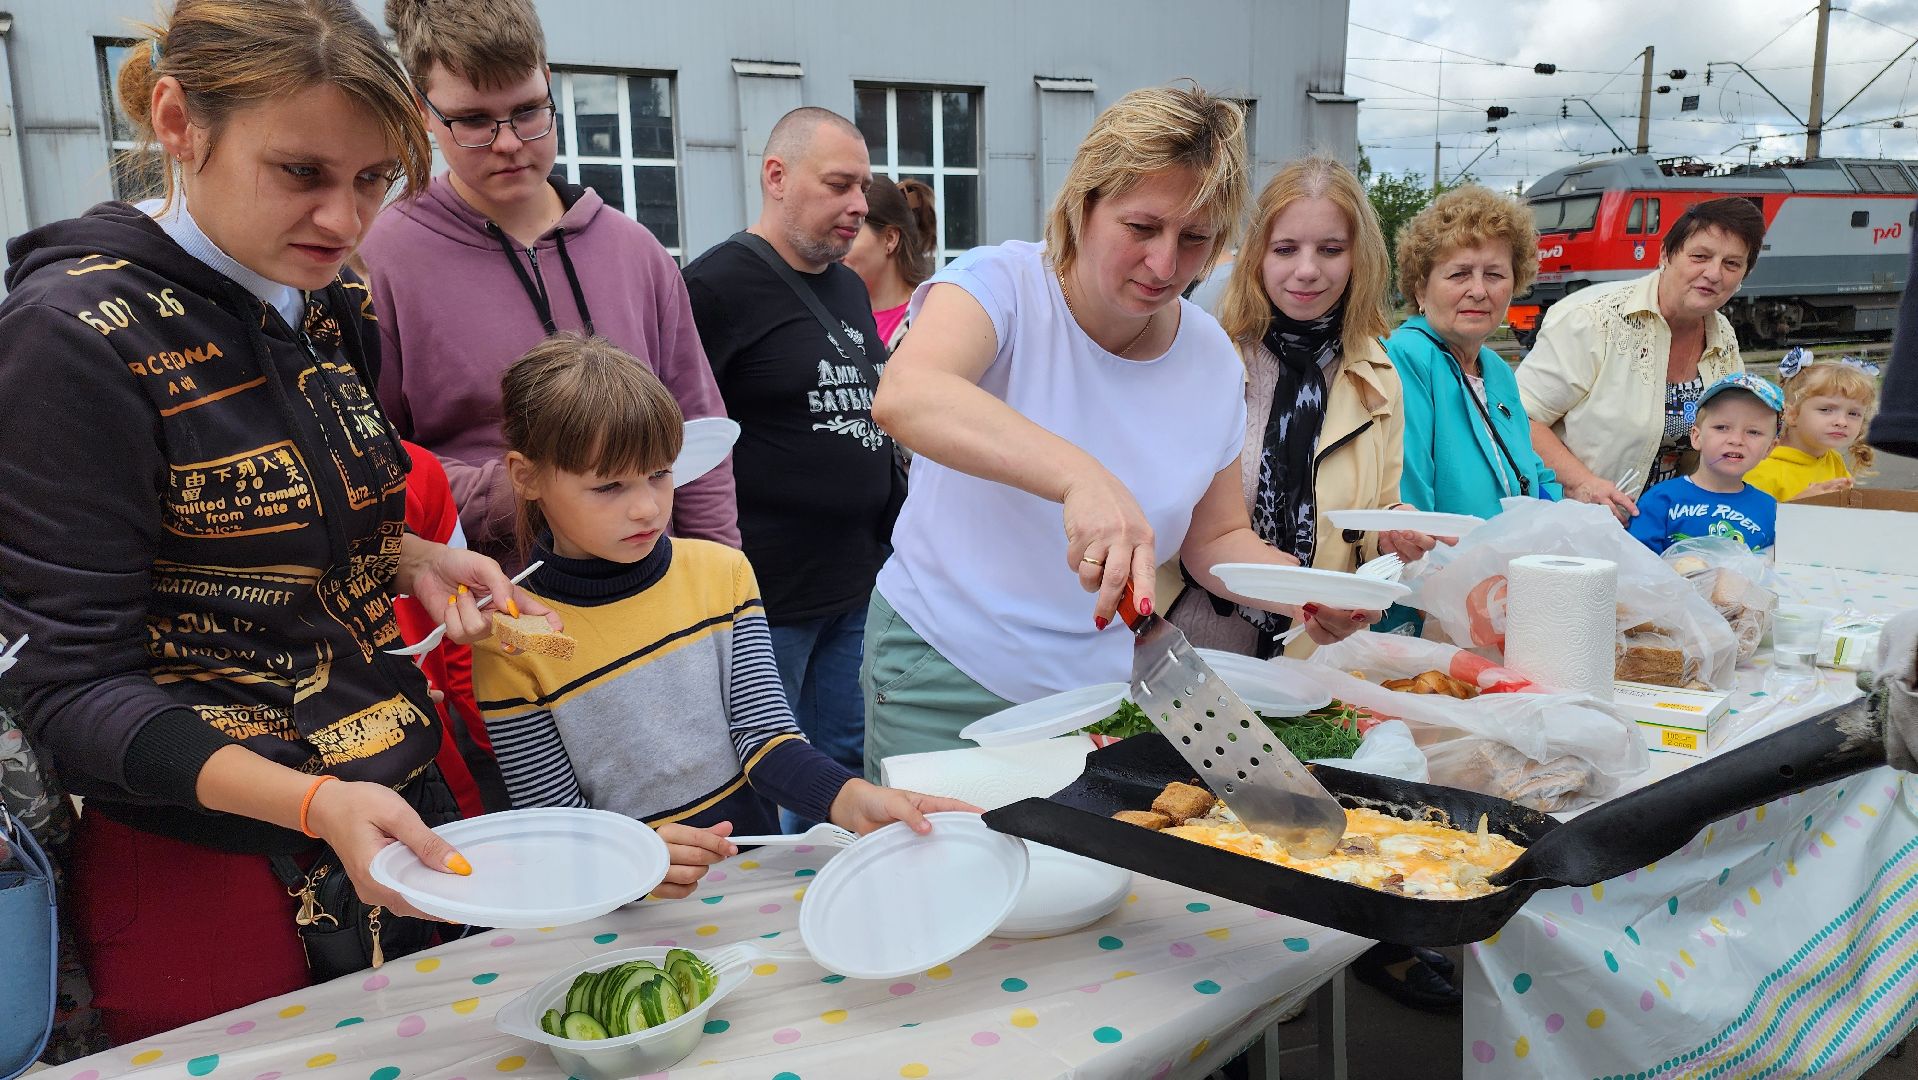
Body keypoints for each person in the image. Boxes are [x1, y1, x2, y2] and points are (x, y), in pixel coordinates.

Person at [0, 0, 555, 1042]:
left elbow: (260, 510)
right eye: (301, 172)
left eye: (373, 178)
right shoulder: (69, 341)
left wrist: (414, 554)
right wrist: (313, 805)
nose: (345, 223)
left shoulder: (336, 303)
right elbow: (67, 690)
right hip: (217, 874)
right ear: (177, 121)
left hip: (393, 807)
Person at [863, 85, 1374, 776]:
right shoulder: (1002, 285)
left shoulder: (1208, 359)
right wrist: (1084, 478)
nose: (1165, 266)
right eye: (1142, 228)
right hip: (945, 665)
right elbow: (907, 394)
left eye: (1195, 240)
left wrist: (1310, 590)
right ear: (1083, 206)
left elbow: (1215, 540)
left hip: (1097, 689)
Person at [471, 335, 974, 897]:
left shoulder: (720, 574)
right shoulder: (511, 639)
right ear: (527, 475)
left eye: (659, 474)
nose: (646, 508)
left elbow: (764, 738)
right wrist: (634, 862)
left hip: (749, 872)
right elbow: (555, 825)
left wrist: (849, 797)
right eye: (608, 485)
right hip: (617, 907)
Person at [362, 0, 738, 565]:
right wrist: (527, 491)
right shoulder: (380, 262)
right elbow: (372, 457)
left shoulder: (636, 251)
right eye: (473, 121)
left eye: (528, 110)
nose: (509, 142)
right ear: (423, 112)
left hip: (652, 607)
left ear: (550, 86)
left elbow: (698, 433)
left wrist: (721, 583)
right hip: (493, 616)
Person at [682, 108, 903, 787]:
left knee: (847, 755)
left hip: (856, 579)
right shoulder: (713, 287)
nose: (858, 205)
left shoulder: (846, 286)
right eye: (839, 185)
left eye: (863, 188)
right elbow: (683, 440)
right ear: (776, 176)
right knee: (773, 765)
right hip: (767, 596)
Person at [1165, 155, 1438, 659]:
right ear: (1257, 257)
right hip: (1193, 645)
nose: (1307, 270)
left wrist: (1395, 533)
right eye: (1285, 248)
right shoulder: (1205, 356)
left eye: (1330, 249)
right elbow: (1189, 531)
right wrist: (1308, 594)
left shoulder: (1377, 376)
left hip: (1313, 655)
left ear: (1359, 258)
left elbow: (1379, 507)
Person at [1519, 198, 1765, 517]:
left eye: (1731, 264)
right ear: (1665, 254)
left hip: (1673, 528)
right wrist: (1583, 483)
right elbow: (1519, 416)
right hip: (1582, 524)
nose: (1714, 273)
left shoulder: (1723, 336)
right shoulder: (1593, 319)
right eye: (1700, 256)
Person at [1389, 186, 1560, 519]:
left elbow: (1535, 476)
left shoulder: (1494, 368)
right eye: (1459, 274)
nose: (1479, 291)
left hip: (1507, 559)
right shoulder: (1405, 357)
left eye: (1495, 275)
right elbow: (1411, 503)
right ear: (1421, 288)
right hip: (1443, 563)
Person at [1628, 373, 1782, 555]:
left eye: (1753, 432)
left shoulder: (1771, 511)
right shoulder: (1661, 501)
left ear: (1770, 448)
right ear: (1696, 437)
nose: (1736, 440)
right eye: (1722, 428)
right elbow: (1636, 567)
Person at [1746, 351, 1879, 503]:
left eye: (1854, 413)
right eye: (1826, 410)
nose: (1842, 422)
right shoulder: (1760, 470)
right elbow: (1742, 522)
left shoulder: (1832, 459)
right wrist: (1797, 505)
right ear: (1791, 414)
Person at [844, 175, 938, 350]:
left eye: (851, 233)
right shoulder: (831, 315)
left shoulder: (932, 318)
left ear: (890, 239)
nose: (838, 248)